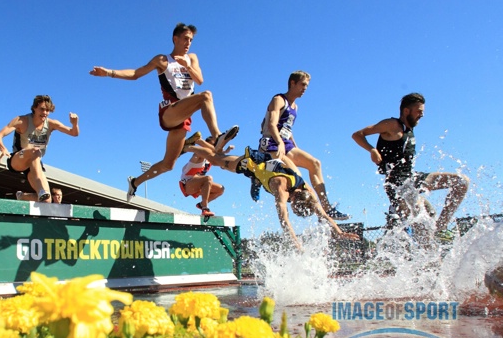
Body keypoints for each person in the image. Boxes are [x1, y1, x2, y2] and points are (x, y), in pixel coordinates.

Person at [89, 23, 238, 202]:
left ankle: (135, 182)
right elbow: (136, 73)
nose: (188, 43)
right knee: (206, 96)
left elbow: (199, 79)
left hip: (183, 117)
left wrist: (187, 66)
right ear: (175, 39)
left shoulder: (192, 58)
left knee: (168, 164)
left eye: (191, 40)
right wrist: (109, 73)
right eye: (185, 39)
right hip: (170, 111)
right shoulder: (162, 60)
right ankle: (217, 136)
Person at [185, 144, 359, 250]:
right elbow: (284, 221)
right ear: (292, 202)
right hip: (252, 163)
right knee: (217, 161)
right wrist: (296, 244)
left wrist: (339, 232)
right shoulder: (280, 189)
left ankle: (255, 179)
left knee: (221, 159)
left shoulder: (307, 192)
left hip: (270, 166)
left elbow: (324, 214)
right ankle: (190, 146)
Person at [352, 92, 469, 240]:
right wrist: (372, 150)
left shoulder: (409, 129)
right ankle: (427, 254)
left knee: (461, 181)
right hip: (398, 186)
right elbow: (357, 134)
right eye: (419, 111)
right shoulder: (392, 125)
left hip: (412, 178)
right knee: (423, 224)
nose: (422, 115)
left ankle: (441, 226)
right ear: (406, 111)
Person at [255, 70, 350, 221]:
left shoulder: (295, 107)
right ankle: (257, 176)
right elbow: (272, 124)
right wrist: (279, 142)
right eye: (303, 84)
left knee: (315, 163)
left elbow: (287, 129)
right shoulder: (279, 99)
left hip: (286, 144)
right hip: (272, 143)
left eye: (307, 85)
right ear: (292, 83)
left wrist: (294, 146)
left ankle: (327, 207)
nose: (305, 88)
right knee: (297, 176)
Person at [0, 95, 80, 202]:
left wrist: (75, 123)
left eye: (47, 110)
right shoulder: (22, 121)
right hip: (19, 158)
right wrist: (3, 149)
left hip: (35, 163)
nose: (45, 113)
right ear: (34, 108)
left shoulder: (51, 124)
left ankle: (22, 196)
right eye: (42, 109)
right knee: (34, 150)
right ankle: (40, 191)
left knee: (47, 200)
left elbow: (74, 133)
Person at [179, 137, 226, 217]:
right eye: (213, 145)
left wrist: (226, 152)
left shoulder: (209, 161)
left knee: (220, 189)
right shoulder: (198, 154)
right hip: (188, 185)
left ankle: (201, 204)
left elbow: (221, 161)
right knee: (208, 178)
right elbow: (209, 151)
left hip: (199, 186)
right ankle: (205, 208)